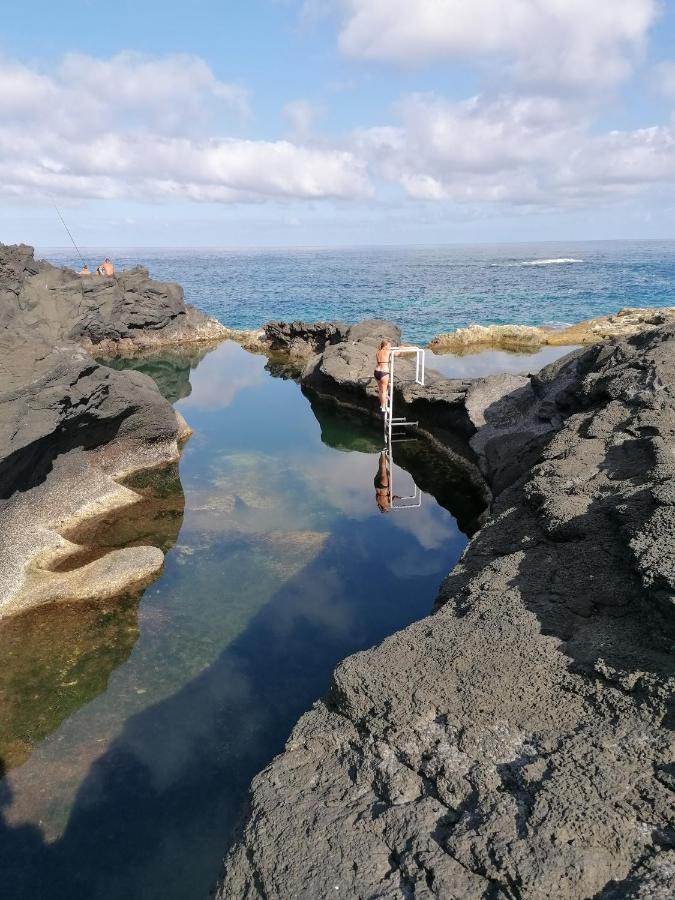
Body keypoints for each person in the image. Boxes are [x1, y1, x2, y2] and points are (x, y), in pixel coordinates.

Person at [374, 339, 391, 412]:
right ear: (385, 346)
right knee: (384, 391)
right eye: (389, 346)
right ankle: (384, 407)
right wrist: (402, 348)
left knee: (381, 390)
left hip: (376, 372)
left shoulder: (378, 352)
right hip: (384, 373)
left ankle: (382, 405)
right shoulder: (387, 351)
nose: (390, 347)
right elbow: (398, 354)